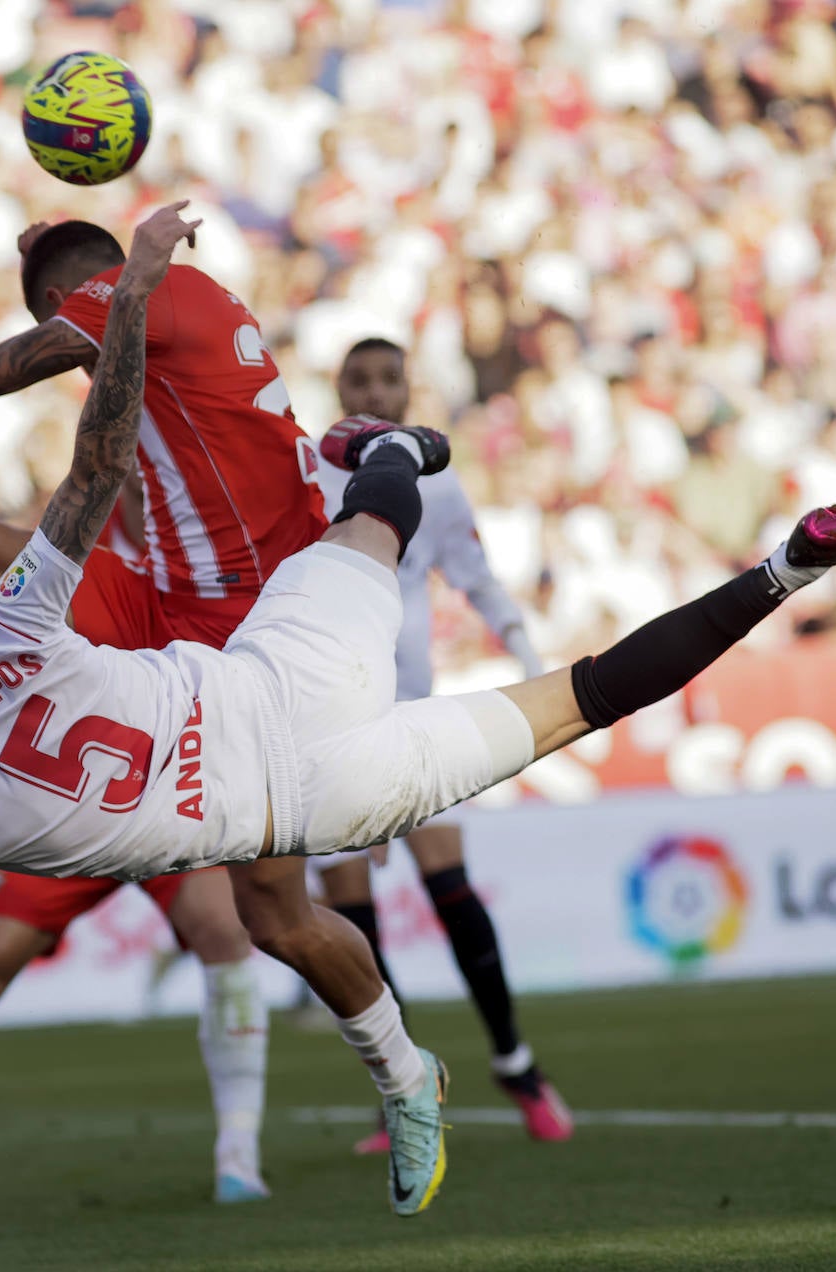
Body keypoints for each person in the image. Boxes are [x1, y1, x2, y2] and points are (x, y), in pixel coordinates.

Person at [0, 203, 836, 1225]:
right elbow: (93, 449)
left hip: (265, 713)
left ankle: (408, 1075)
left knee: (533, 726)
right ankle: (446, 480)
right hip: (275, 654)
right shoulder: (17, 626)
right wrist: (129, 283)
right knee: (302, 831)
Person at [312, 338, 571, 1152]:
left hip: (416, 716)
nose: (378, 391)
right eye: (360, 380)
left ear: (409, 386)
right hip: (331, 723)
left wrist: (527, 651)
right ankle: (401, 1090)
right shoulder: (307, 475)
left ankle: (516, 1062)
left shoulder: (439, 479)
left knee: (450, 888)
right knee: (351, 920)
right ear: (339, 389)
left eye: (390, 378)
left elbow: (474, 574)